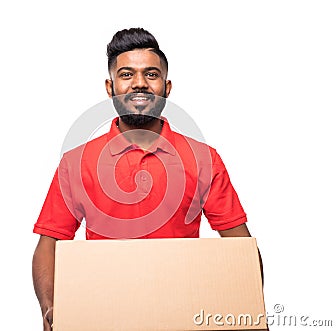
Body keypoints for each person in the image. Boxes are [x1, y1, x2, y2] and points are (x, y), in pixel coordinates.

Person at [32, 27, 262, 331]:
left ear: (167, 87)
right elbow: (50, 243)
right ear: (109, 86)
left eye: (151, 74)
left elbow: (240, 249)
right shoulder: (75, 163)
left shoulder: (204, 159)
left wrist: (251, 310)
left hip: (183, 316)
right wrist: (50, 311)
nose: (139, 83)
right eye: (126, 74)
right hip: (102, 316)